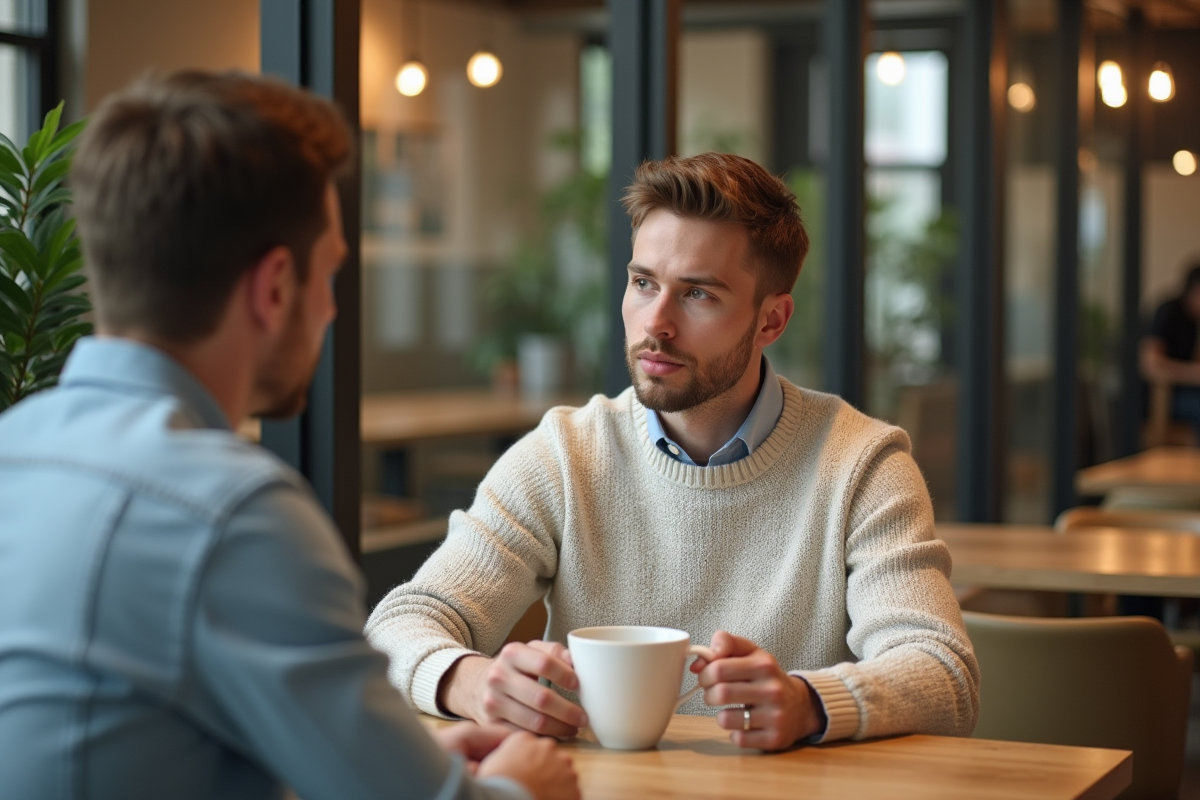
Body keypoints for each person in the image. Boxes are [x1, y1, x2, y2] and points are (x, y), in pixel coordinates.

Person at [0, 71, 578, 800]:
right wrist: (523, 786)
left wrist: (413, 762)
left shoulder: (14, 448)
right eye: (330, 274)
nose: (332, 311)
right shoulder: (230, 513)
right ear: (275, 287)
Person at [365, 153, 980, 752]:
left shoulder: (863, 465)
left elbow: (942, 672)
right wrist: (471, 682)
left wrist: (808, 702)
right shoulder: (565, 455)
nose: (655, 322)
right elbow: (399, 624)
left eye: (698, 295)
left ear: (771, 321)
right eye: (643, 283)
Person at [1141, 262, 1200, 442]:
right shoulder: (1169, 312)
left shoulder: (1194, 321)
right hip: (1157, 398)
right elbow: (1150, 364)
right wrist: (1193, 374)